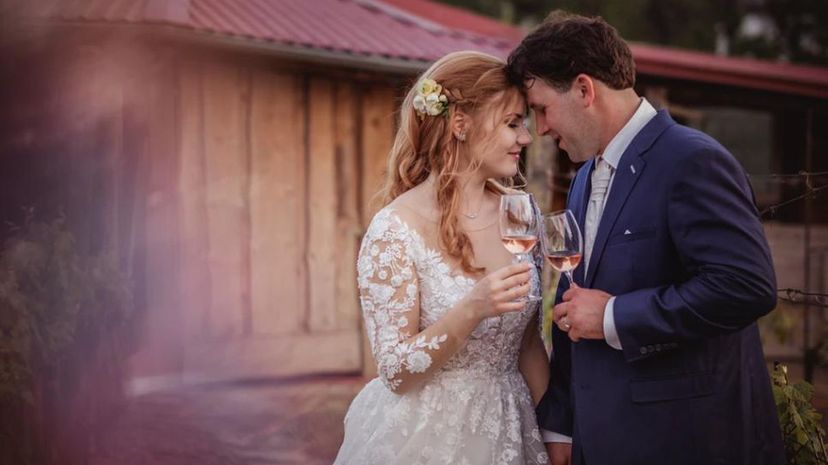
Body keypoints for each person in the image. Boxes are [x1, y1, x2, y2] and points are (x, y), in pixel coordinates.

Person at [506, 11, 785, 465]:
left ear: (583, 89)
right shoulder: (582, 179)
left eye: (541, 108)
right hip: (599, 442)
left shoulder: (693, 160)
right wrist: (561, 423)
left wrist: (615, 316)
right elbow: (573, 310)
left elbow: (746, 286)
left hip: (686, 441)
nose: (540, 129)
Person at [333, 51, 550, 465]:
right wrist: (472, 308)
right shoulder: (395, 228)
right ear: (460, 124)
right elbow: (396, 371)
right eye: (512, 123)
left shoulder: (522, 213)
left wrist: (557, 431)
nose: (525, 137)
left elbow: (528, 345)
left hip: (514, 429)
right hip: (424, 439)